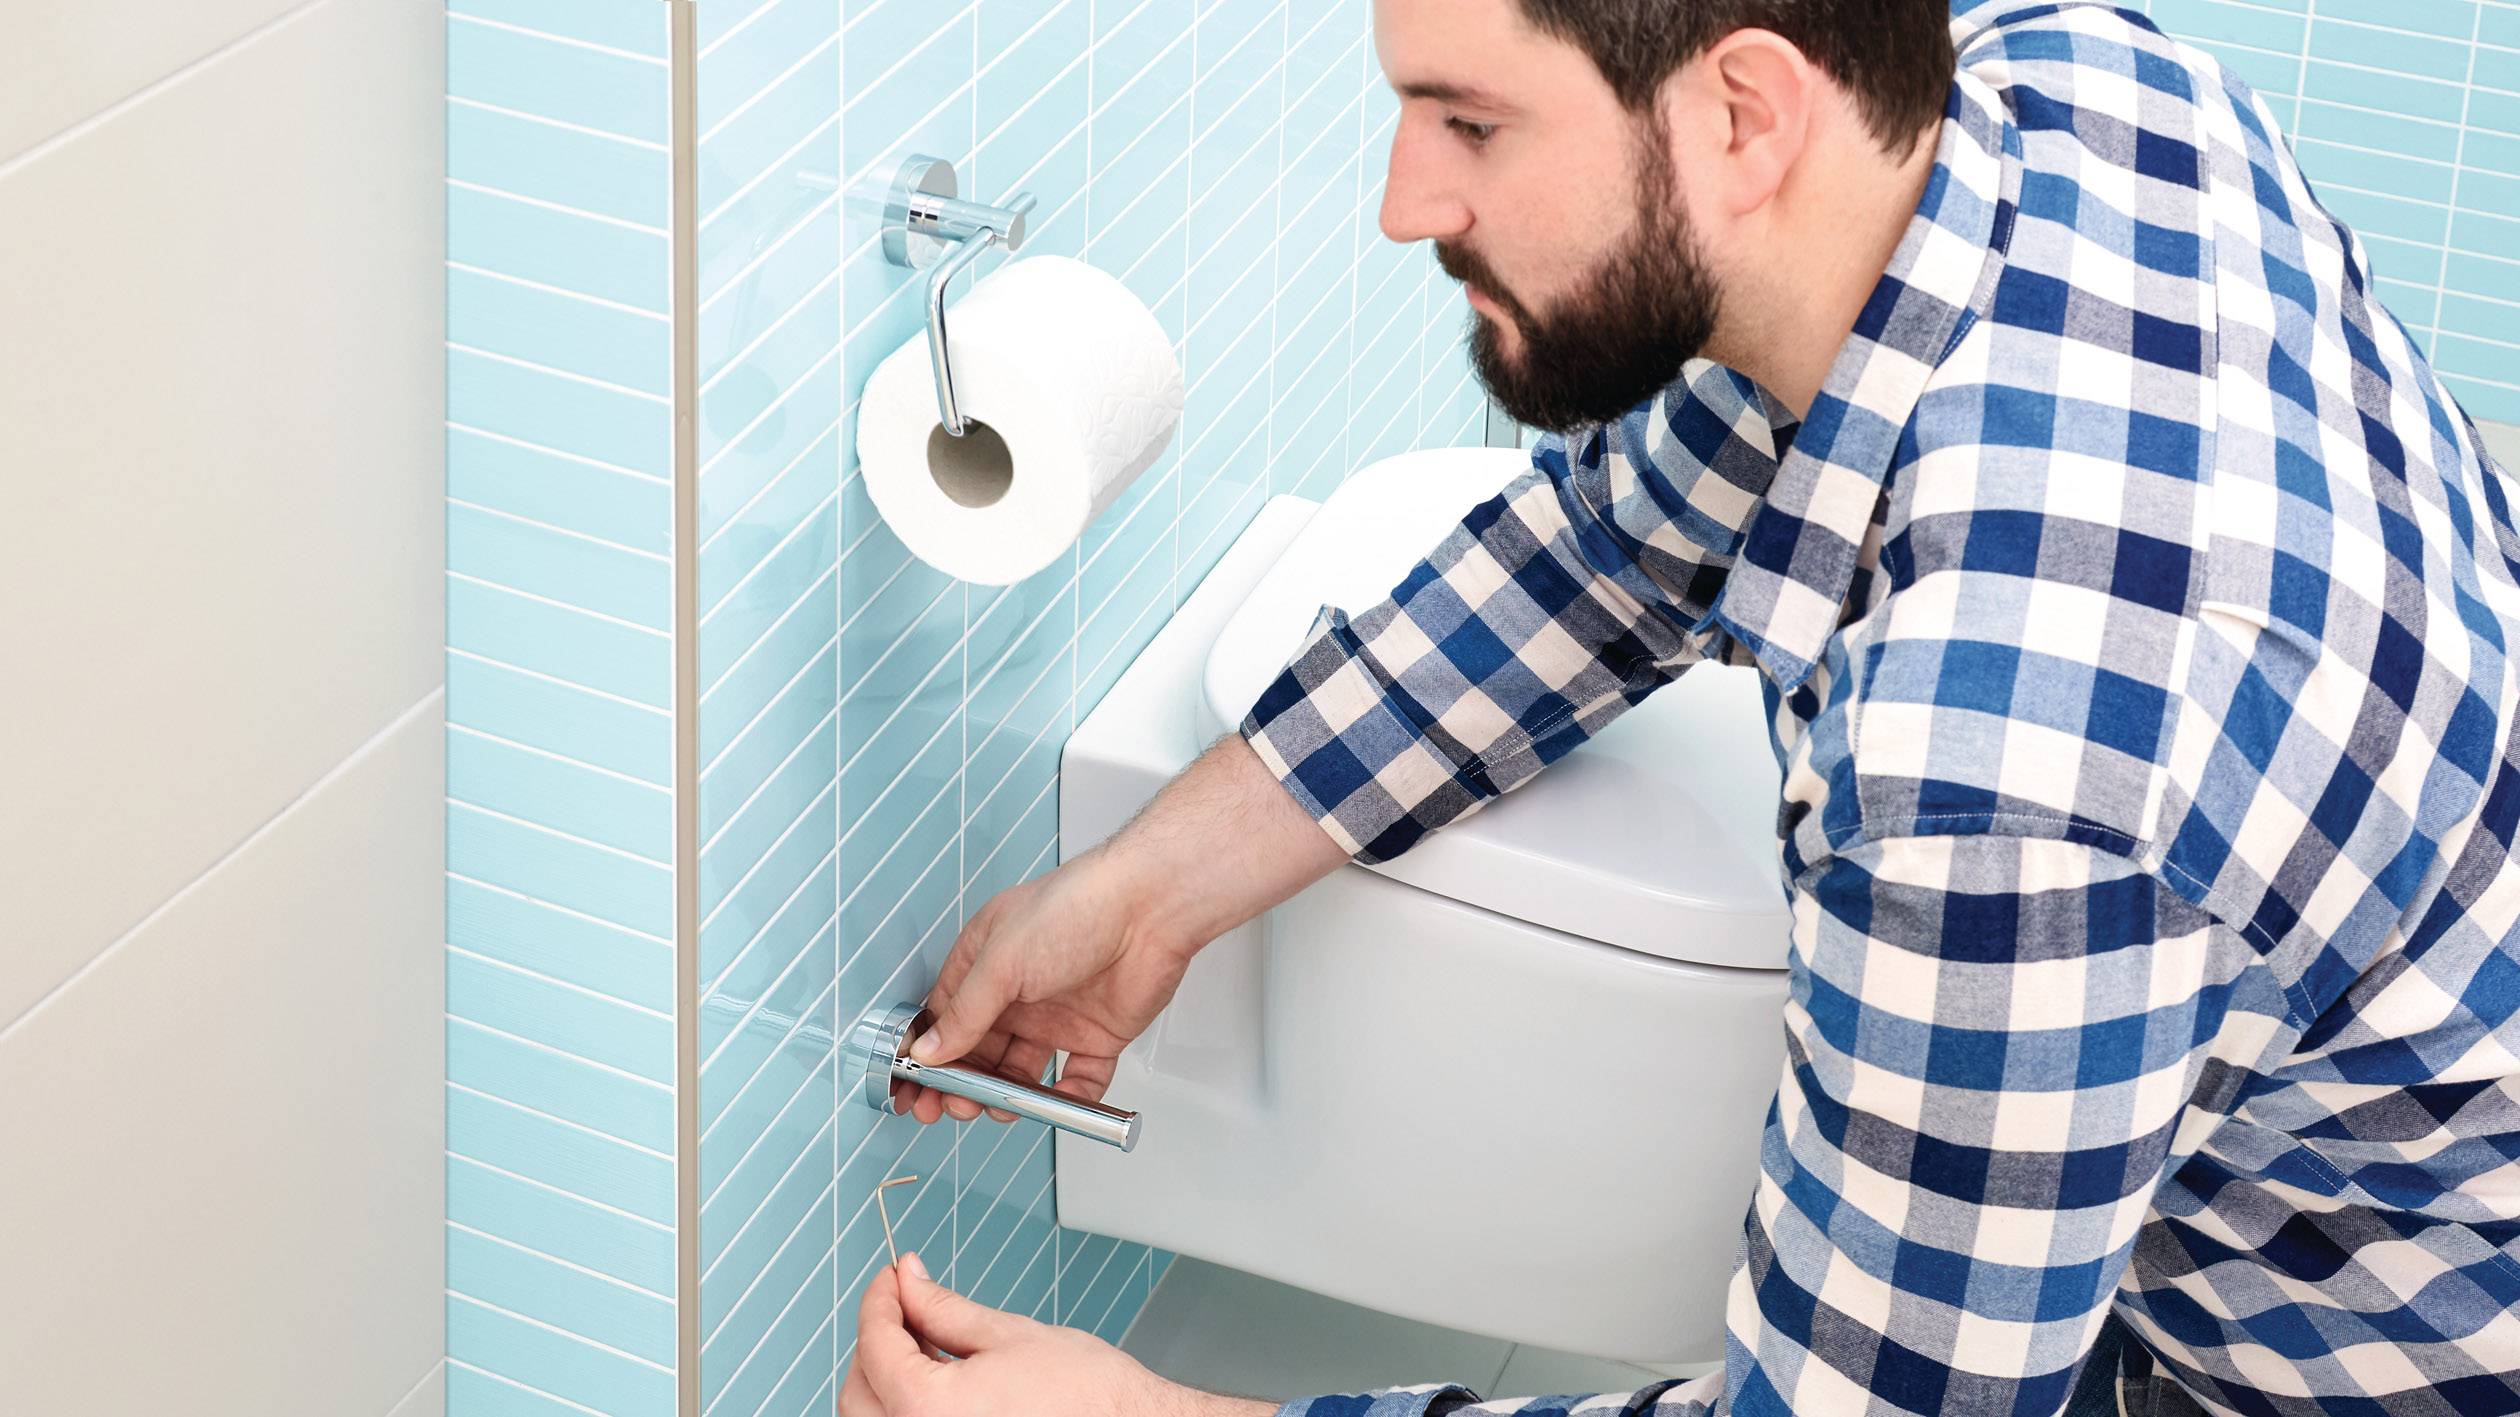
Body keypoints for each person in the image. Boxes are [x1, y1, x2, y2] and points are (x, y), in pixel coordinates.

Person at [839, 0, 2520, 1413]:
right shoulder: (2077, 89)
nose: (1401, 203)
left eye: (1469, 125)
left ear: (1743, 112)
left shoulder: (2010, 793)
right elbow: (1610, 554)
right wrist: (1145, 889)